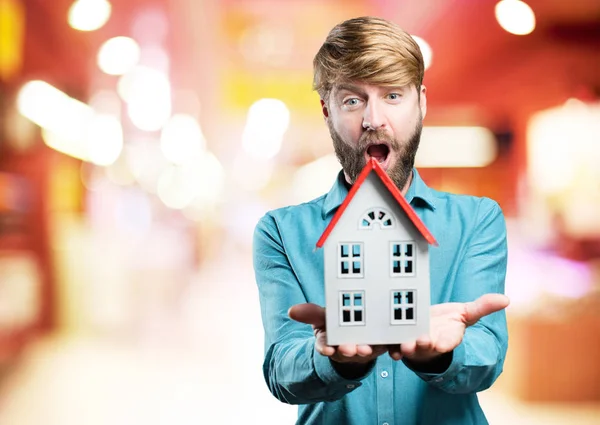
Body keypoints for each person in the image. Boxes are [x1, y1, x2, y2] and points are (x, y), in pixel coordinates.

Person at [253, 16, 509, 425]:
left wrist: (444, 353)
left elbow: (487, 358)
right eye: (352, 100)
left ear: (421, 103)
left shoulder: (478, 220)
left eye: (392, 95)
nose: (373, 119)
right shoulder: (281, 232)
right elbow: (282, 371)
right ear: (327, 112)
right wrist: (337, 361)